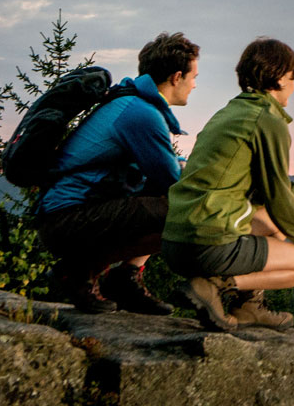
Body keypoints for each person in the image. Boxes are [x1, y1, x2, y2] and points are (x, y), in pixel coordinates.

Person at [161, 36, 294, 331]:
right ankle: (215, 286)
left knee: (272, 224)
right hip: (207, 241)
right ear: (280, 78)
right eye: (293, 78)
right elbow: (277, 195)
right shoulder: (267, 119)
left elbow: (261, 189)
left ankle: (249, 307)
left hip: (176, 241)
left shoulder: (231, 112)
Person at [36, 31, 199, 314]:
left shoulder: (131, 103)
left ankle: (123, 278)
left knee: (165, 200)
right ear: (176, 77)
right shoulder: (141, 114)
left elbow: (158, 170)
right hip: (67, 220)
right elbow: (172, 181)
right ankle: (79, 272)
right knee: (190, 212)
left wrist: (180, 165)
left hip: (64, 215)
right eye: (193, 76)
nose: (194, 85)